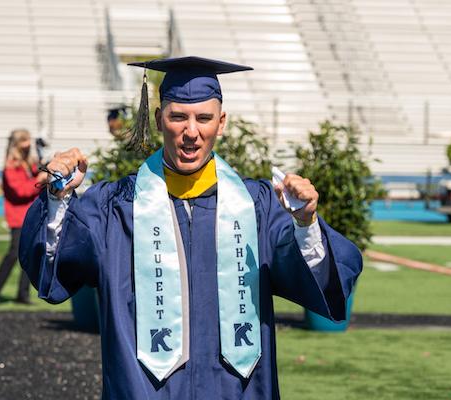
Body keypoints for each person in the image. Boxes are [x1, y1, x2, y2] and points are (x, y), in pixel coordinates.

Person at [19, 56, 362, 399]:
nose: (191, 133)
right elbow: (52, 267)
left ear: (221, 122)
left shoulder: (255, 206)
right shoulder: (116, 207)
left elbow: (323, 280)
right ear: (158, 120)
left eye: (204, 118)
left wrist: (305, 222)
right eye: (178, 117)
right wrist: (58, 197)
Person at [0, 128, 47, 306]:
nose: (28, 145)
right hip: (18, 216)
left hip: (31, 214)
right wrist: (40, 180)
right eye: (24, 141)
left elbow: (38, 173)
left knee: (31, 255)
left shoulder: (29, 162)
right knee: (14, 254)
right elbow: (21, 190)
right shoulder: (11, 166)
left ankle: (23, 293)